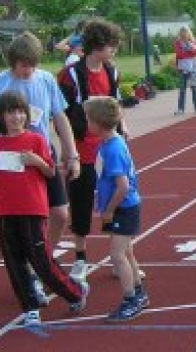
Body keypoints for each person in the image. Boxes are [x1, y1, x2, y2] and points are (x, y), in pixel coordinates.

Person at [0, 32, 79, 304]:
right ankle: (32, 270)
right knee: (16, 223)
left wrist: (72, 155)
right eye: (23, 65)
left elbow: (60, 117)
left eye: (32, 65)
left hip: (41, 154)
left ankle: (42, 261)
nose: (28, 70)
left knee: (59, 214)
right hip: (11, 160)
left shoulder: (46, 80)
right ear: (13, 62)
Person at [0, 92, 89, 327]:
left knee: (41, 261)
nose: (16, 117)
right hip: (5, 213)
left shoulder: (36, 140)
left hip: (32, 210)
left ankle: (74, 292)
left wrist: (37, 162)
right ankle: (30, 307)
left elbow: (51, 173)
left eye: (20, 111)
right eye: (10, 112)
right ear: (2, 116)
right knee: (14, 264)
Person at [57, 19, 126, 280]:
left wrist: (123, 128)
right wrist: (67, 147)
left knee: (116, 200)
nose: (115, 51)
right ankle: (80, 257)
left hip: (109, 147)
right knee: (81, 201)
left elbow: (115, 106)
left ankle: (119, 256)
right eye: (112, 46)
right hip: (82, 148)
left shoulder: (112, 72)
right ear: (98, 46)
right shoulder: (71, 74)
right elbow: (61, 113)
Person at [84, 96, 149, 322]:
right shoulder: (111, 142)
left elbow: (123, 186)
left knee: (117, 254)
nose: (86, 123)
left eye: (88, 119)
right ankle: (139, 293)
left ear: (98, 123)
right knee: (127, 251)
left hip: (123, 207)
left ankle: (130, 298)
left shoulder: (112, 149)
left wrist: (109, 210)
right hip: (121, 206)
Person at [174, 26, 196, 114]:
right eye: (182, 33)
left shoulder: (193, 41)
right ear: (180, 34)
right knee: (182, 89)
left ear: (189, 33)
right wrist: (189, 52)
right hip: (182, 68)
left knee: (194, 87)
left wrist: (188, 50)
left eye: (185, 32)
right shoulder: (178, 43)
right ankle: (181, 109)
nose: (184, 35)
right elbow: (179, 54)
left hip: (193, 68)